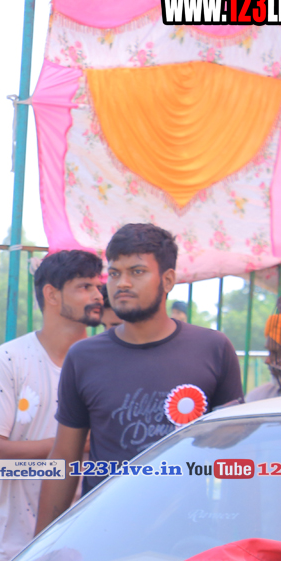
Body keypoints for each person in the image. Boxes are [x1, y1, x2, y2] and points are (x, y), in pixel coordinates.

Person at [36, 224, 243, 533]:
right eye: (114, 273)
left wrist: (237, 534)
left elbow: (237, 454)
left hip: (190, 537)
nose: (122, 283)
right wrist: (40, 547)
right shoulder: (84, 358)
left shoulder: (213, 349)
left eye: (137, 271)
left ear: (168, 280)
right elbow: (65, 457)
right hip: (105, 535)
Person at [0, 249, 103, 561]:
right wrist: (71, 446)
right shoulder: (8, 359)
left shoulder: (108, 362)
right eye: (85, 287)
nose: (97, 296)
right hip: (12, 551)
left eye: (98, 286)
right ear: (51, 294)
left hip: (89, 545)